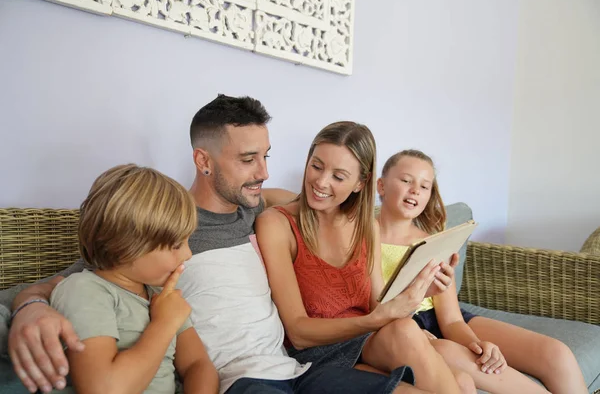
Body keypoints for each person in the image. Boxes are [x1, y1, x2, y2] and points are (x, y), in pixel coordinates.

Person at [3, 95, 430, 394]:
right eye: (248, 160)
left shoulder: (256, 208)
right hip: (243, 380)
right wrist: (29, 306)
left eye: (266, 155)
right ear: (203, 161)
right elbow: (76, 277)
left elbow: (313, 203)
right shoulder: (162, 230)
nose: (264, 172)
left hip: (296, 368)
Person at [255, 122, 471, 394]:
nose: (321, 182)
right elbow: (298, 333)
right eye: (317, 166)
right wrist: (375, 320)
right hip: (315, 354)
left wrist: (419, 291)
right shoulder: (278, 224)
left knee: (459, 377)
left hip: (367, 342)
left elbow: (379, 304)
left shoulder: (367, 226)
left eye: (339, 176)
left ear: (360, 183)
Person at [376, 149, 588, 394]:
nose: (415, 190)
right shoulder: (362, 239)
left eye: (425, 186)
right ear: (381, 185)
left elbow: (452, 319)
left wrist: (477, 344)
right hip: (402, 326)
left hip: (445, 319)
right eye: (406, 180)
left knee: (556, 353)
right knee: (454, 354)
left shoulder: (435, 243)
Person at [49, 164, 218, 394]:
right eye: (177, 244)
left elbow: (198, 365)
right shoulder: (84, 290)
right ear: (127, 246)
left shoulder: (161, 297)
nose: (188, 254)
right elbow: (104, 389)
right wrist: (164, 323)